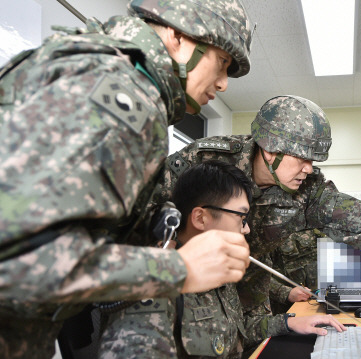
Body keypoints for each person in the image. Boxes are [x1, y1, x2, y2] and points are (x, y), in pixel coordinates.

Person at [0, 0, 254, 357]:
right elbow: (17, 258)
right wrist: (178, 268)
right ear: (178, 36)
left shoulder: (97, 70)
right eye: (222, 62)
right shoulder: (122, 97)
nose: (224, 83)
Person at [154, 95, 361, 349]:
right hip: (181, 293)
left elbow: (360, 226)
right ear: (271, 151)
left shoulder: (310, 189)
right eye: (303, 159)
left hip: (249, 306)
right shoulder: (202, 161)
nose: (309, 169)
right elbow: (144, 218)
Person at [99, 160, 345, 358]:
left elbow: (233, 336)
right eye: (241, 217)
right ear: (201, 218)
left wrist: (290, 323)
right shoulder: (155, 291)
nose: (246, 230)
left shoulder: (215, 273)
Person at [269, 229, 322, 314]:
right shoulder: (262, 223)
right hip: (285, 305)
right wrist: (286, 293)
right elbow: (254, 273)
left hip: (321, 299)